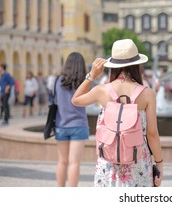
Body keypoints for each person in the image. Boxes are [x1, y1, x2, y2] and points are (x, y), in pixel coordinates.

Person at [71, 39, 163, 187]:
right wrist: (159, 163)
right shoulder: (147, 94)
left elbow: (75, 100)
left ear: (113, 65)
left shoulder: (102, 90)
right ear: (137, 65)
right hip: (138, 161)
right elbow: (152, 133)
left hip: (109, 162)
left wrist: (92, 75)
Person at [54, 52, 89, 187]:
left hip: (61, 125)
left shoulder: (58, 81)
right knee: (74, 162)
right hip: (78, 125)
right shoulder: (84, 83)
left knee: (62, 161)